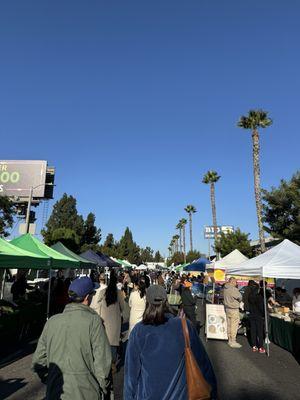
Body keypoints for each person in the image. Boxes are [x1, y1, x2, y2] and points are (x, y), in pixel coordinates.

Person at [124, 285, 217, 400]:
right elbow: (203, 364)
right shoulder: (184, 325)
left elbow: (131, 375)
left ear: (147, 302)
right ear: (166, 301)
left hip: (148, 395)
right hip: (181, 395)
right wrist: (213, 394)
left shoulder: (139, 331)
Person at [32, 276, 112, 400]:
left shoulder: (52, 322)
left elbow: (38, 361)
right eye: (92, 294)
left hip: (56, 392)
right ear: (87, 297)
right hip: (85, 392)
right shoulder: (93, 321)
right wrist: (101, 389)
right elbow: (103, 363)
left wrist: (51, 379)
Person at [97, 270, 124, 370]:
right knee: (113, 344)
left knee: (104, 342)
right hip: (115, 322)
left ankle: (104, 365)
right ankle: (112, 365)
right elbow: (123, 307)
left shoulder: (103, 292)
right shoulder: (119, 293)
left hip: (104, 320)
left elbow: (98, 303)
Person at [223, 277, 242, 348]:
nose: (236, 283)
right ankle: (233, 341)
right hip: (233, 309)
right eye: (236, 282)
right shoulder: (233, 289)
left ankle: (229, 339)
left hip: (227, 308)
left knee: (229, 325)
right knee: (234, 325)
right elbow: (240, 297)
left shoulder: (225, 288)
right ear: (233, 281)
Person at [248, 283, 266, 353]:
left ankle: (254, 346)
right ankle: (260, 347)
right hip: (258, 315)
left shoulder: (250, 296)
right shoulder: (259, 297)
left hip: (252, 315)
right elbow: (261, 308)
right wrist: (263, 314)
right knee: (260, 331)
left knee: (253, 330)